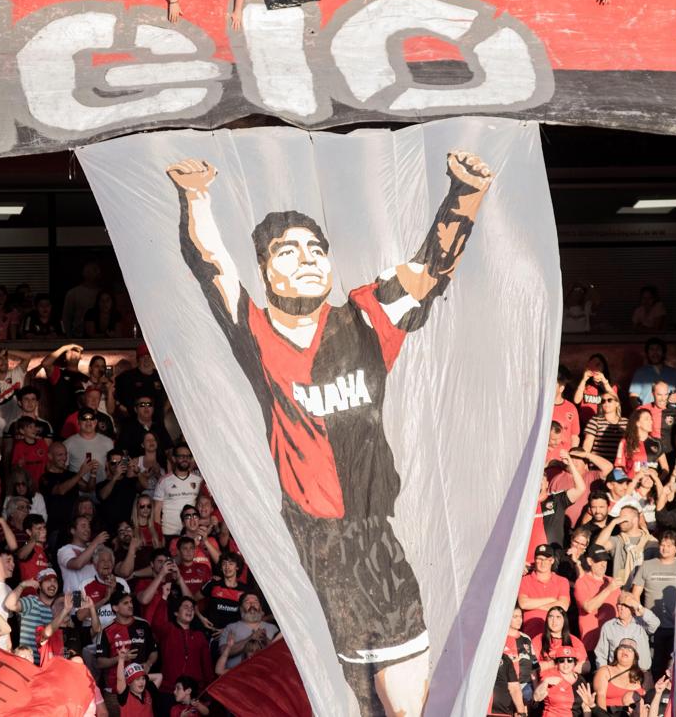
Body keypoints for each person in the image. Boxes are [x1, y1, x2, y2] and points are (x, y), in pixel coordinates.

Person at [167, 150, 492, 714]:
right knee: (347, 703)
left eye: (318, 249)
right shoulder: (256, 332)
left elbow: (429, 268)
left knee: (407, 707)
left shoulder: (367, 317)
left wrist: (464, 194)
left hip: (373, 539)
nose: (310, 258)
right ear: (265, 271)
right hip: (308, 547)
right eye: (288, 251)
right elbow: (211, 265)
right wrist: (195, 197)